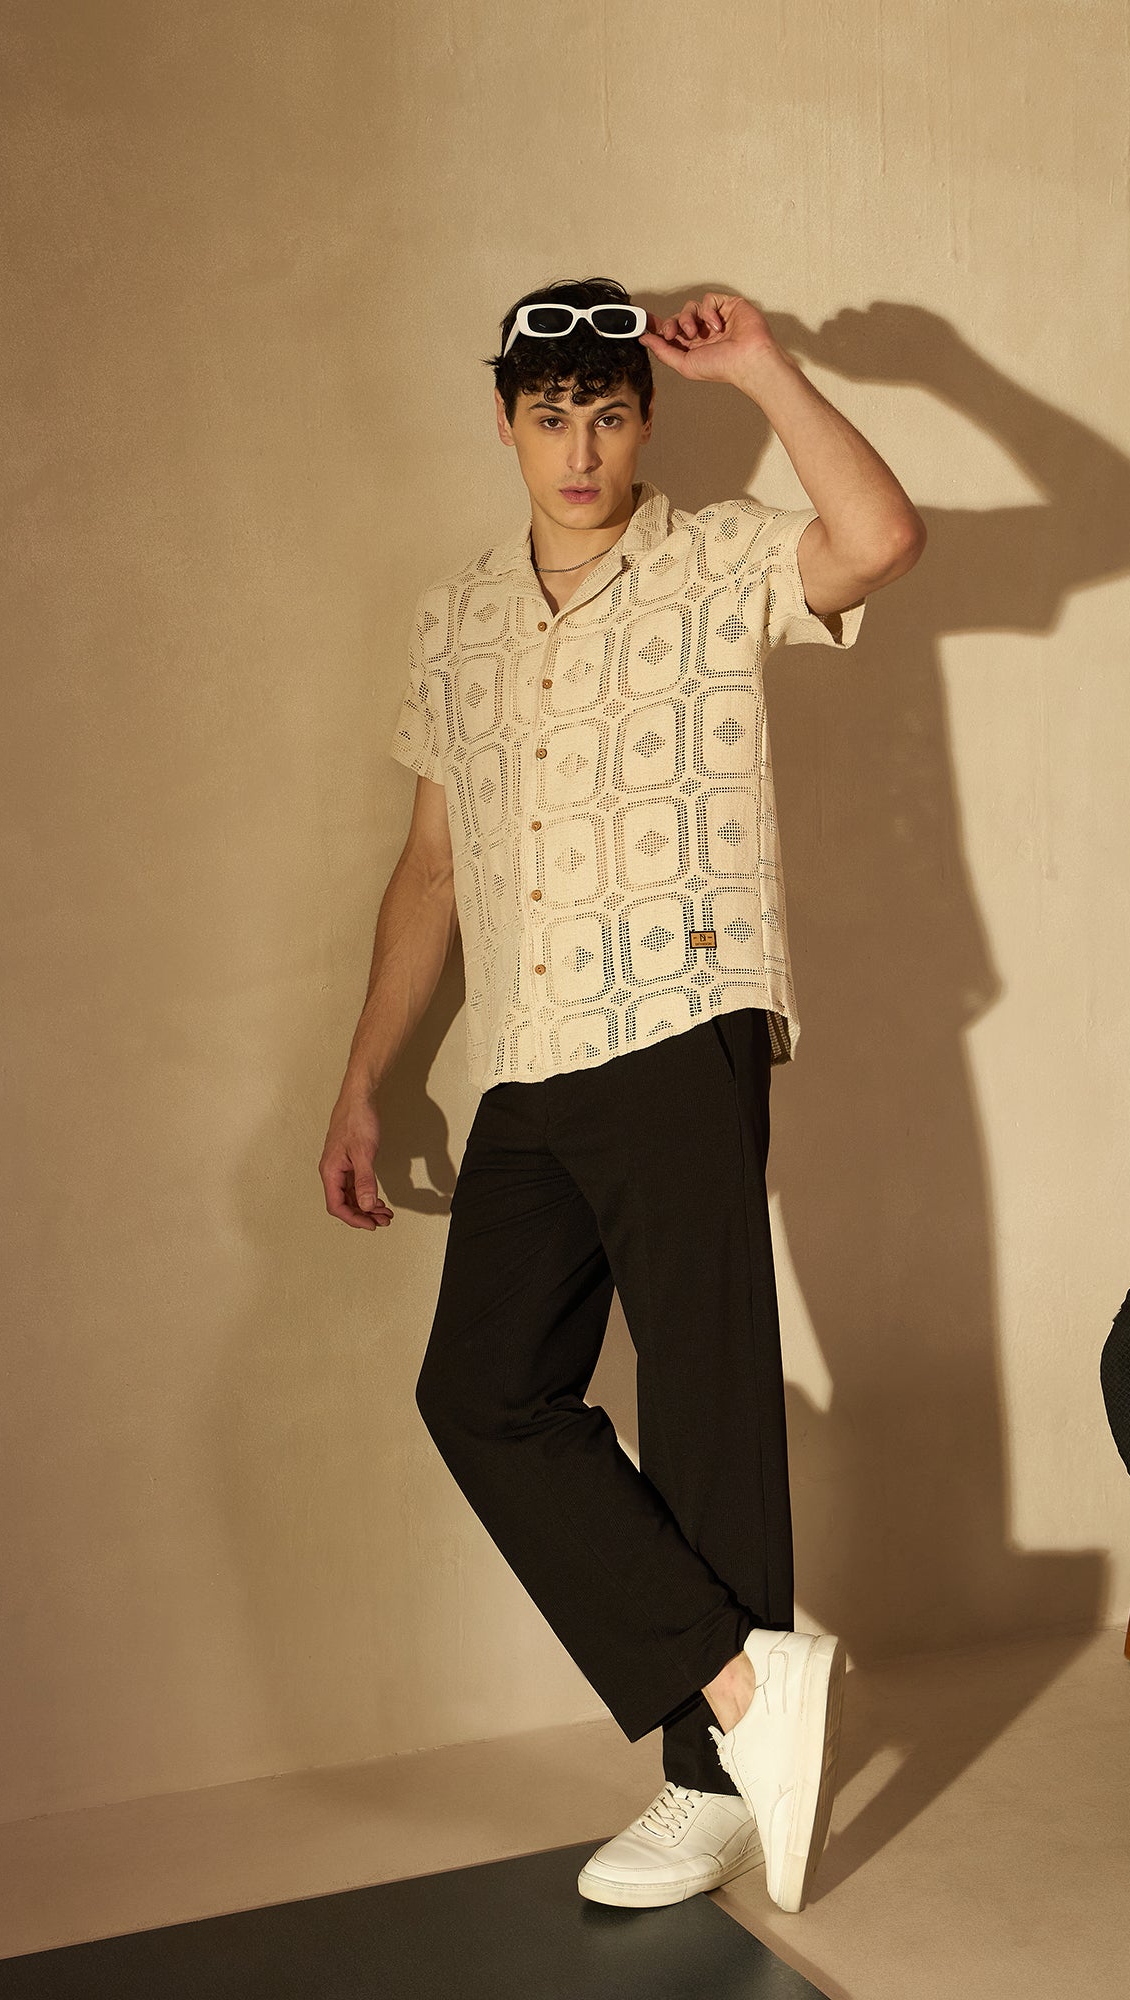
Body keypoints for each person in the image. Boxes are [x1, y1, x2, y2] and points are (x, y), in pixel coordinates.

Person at [319, 277, 925, 1913]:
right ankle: (741, 1684)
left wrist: (770, 369)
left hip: (680, 1009)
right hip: (525, 1052)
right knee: (482, 1391)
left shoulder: (717, 558)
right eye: (550, 417)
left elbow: (878, 540)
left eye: (606, 415)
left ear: (645, 422)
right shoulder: (455, 619)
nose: (579, 450)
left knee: (706, 1402)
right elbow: (432, 869)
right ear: (504, 423)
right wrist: (367, 1079)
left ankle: (709, 1788)